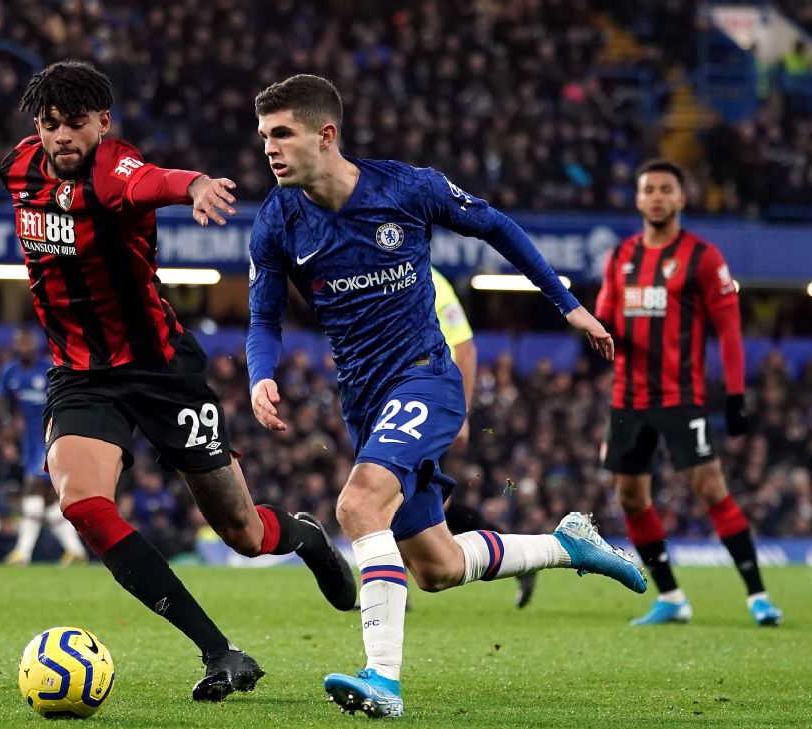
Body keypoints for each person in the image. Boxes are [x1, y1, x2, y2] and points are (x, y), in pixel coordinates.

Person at [246, 74, 646, 719]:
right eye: (264, 135)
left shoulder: (406, 188)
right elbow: (263, 317)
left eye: (282, 133)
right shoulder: (277, 222)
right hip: (363, 400)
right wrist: (259, 373)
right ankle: (569, 545)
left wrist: (566, 303)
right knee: (435, 564)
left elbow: (496, 226)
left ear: (326, 135)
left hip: (426, 375)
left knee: (359, 504)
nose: (269, 148)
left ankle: (382, 681)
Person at [0, 60, 355, 703]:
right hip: (82, 375)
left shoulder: (112, 169)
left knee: (243, 535)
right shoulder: (18, 168)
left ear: (103, 123)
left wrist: (191, 186)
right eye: (50, 126)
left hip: (162, 371)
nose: (62, 139)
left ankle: (303, 536)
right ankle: (221, 652)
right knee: (82, 504)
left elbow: (148, 182)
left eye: (76, 125)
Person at [594, 159, 781, 627]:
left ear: (681, 198)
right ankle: (673, 597)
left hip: (681, 397)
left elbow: (730, 330)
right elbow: (604, 318)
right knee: (631, 498)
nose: (656, 196)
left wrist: (736, 395)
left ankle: (758, 596)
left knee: (710, 489)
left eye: (665, 189)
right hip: (629, 399)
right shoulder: (621, 258)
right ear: (638, 200)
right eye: (648, 189)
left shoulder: (703, 257)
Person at [431, 267, 538, 609]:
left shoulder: (431, 281)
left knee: (408, 502)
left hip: (432, 406)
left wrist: (460, 414)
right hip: (400, 404)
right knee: (425, 509)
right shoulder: (379, 273)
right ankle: (517, 554)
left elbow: (465, 347)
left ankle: (390, 592)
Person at [0, 329, 88, 567]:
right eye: (19, 343)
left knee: (32, 489)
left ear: (35, 345)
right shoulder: (10, 372)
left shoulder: (49, 369)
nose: (23, 347)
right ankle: (75, 551)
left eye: (26, 343)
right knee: (47, 502)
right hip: (29, 440)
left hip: (51, 437)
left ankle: (22, 553)